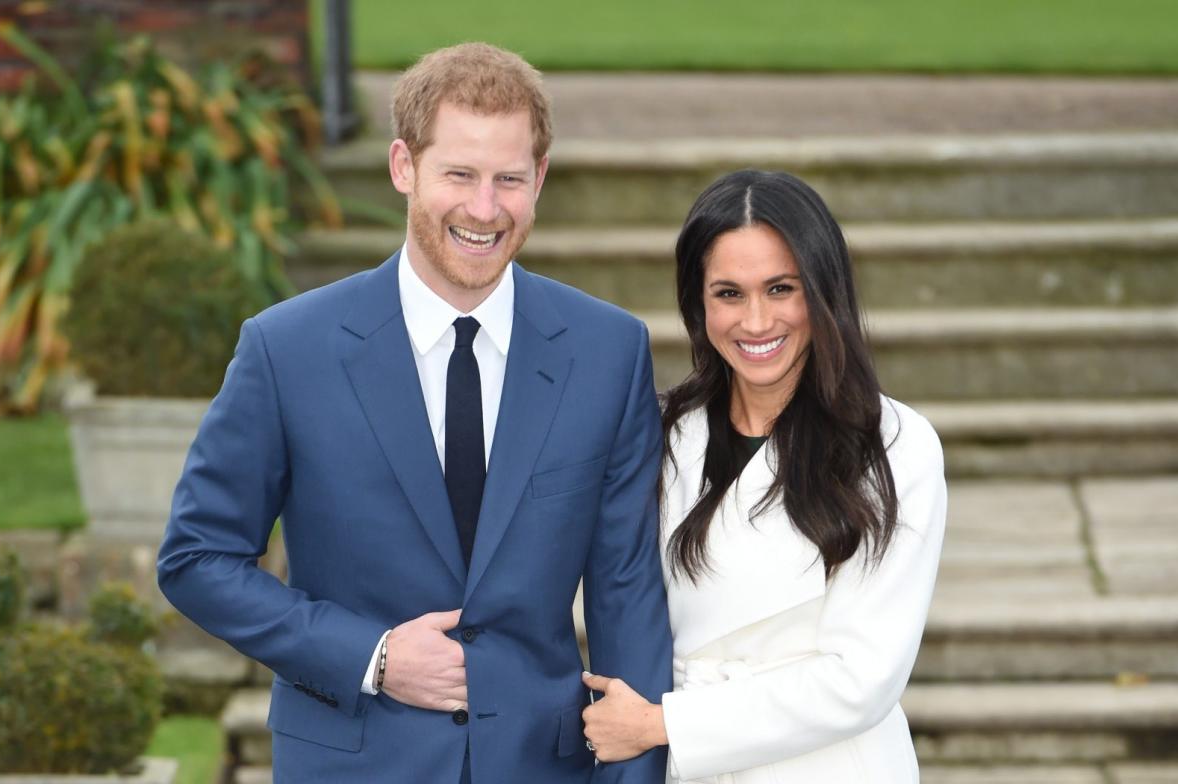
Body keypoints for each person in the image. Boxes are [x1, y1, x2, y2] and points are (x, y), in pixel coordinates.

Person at [157, 43, 672, 784]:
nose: (485, 208)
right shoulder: (286, 349)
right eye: (459, 174)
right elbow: (196, 558)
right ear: (404, 167)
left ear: (541, 179)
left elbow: (628, 595)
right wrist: (372, 657)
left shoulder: (608, 351)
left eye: (510, 180)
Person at [581, 170, 947, 783]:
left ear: (825, 292)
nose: (755, 322)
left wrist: (663, 725)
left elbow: (860, 679)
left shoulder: (895, 446)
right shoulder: (661, 431)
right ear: (698, 303)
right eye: (729, 293)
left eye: (781, 289)